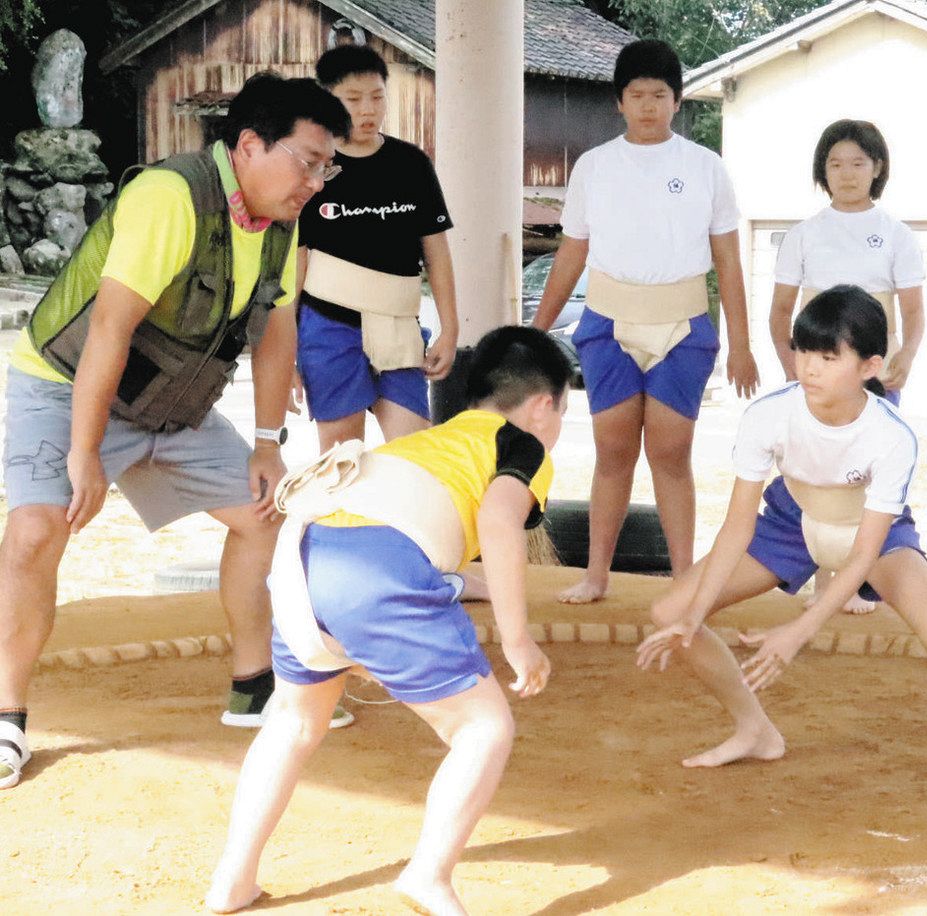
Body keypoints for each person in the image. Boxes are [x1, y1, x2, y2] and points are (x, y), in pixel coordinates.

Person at [0, 73, 354, 791]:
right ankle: (6, 714)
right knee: (36, 530)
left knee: (267, 511)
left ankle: (254, 684)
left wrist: (264, 443)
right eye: (308, 161)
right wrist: (83, 450)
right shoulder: (170, 195)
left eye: (327, 167)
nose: (317, 182)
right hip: (68, 386)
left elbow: (278, 325)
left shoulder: (282, 220)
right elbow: (109, 327)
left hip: (170, 402)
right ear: (250, 146)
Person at [205, 326, 570, 915]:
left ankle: (232, 878)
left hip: (302, 562)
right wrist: (518, 638)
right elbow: (501, 524)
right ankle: (428, 874)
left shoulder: (427, 444)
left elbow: (412, 522)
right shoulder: (521, 443)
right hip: (379, 574)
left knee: (294, 723)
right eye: (560, 415)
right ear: (543, 405)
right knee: (484, 730)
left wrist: (464, 586)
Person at [636, 286, 927, 808]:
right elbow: (737, 525)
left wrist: (797, 632)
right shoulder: (769, 416)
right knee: (670, 610)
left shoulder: (892, 435)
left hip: (872, 533)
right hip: (792, 520)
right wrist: (695, 612)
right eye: (803, 351)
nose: (809, 367)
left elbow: (861, 558)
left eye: (828, 356)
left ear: (870, 366)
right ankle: (755, 730)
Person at [532, 38, 759, 605]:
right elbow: (571, 252)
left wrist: (741, 344)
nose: (649, 105)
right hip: (609, 322)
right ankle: (596, 575)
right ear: (620, 102)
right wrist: (537, 328)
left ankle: (684, 580)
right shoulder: (594, 166)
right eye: (637, 95)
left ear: (677, 101)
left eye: (660, 94)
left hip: (681, 325)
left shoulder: (706, 168)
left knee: (670, 451)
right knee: (612, 452)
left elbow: (729, 260)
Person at [769, 118, 925, 615]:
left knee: (868, 472)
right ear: (823, 171)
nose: (847, 173)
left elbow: (915, 311)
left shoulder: (896, 234)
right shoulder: (804, 235)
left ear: (877, 168)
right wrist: (793, 367)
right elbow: (779, 312)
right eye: (835, 164)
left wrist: (905, 357)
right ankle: (821, 577)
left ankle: (861, 580)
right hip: (815, 369)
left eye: (858, 163)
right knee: (815, 470)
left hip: (872, 371)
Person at [293, 44, 459, 451]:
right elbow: (295, 259)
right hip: (328, 326)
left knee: (414, 453)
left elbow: (436, 252)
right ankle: (333, 519)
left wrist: (450, 327)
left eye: (377, 97)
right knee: (341, 459)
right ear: (329, 100)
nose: (367, 110)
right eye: (352, 99)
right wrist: (287, 347)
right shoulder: (313, 168)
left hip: (398, 324)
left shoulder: (411, 163)